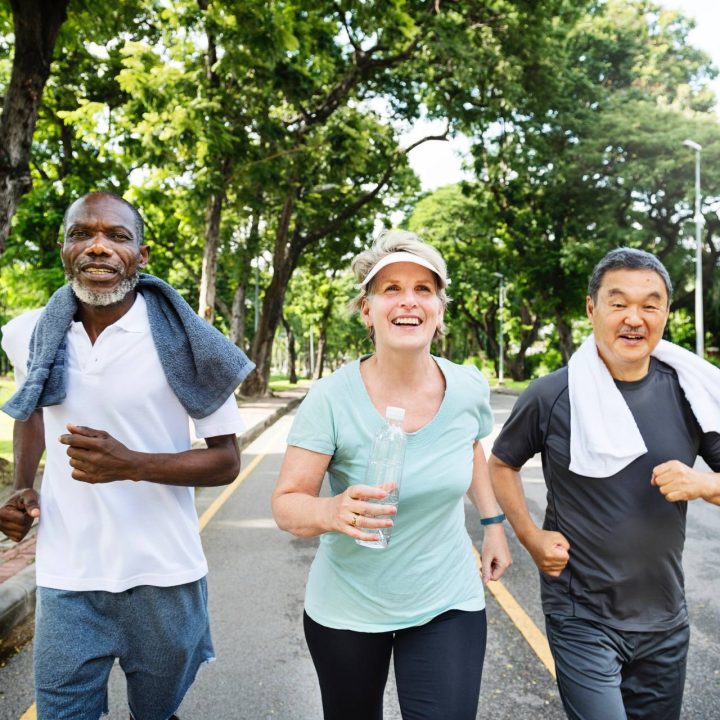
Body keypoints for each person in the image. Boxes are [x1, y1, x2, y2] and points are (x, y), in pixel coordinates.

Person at [0, 191, 254, 720]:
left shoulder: (189, 341)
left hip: (164, 576)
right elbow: (30, 408)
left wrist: (132, 465)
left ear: (140, 255)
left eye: (116, 236)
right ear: (63, 248)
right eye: (81, 234)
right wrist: (24, 485)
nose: (98, 247)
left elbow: (227, 460)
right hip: (68, 575)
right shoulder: (29, 332)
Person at [272, 229, 511, 720]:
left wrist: (492, 525)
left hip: (447, 599)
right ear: (367, 309)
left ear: (440, 309)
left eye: (424, 289)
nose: (409, 301)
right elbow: (287, 503)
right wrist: (332, 510)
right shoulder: (331, 398)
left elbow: (469, 448)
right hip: (348, 608)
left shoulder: (466, 386)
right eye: (392, 289)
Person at [489, 247, 720, 720]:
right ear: (592, 309)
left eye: (650, 304)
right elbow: (501, 465)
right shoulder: (551, 395)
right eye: (619, 303)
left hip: (665, 619)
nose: (635, 318)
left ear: (665, 314)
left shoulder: (690, 392)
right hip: (582, 615)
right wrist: (531, 538)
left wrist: (700, 482)